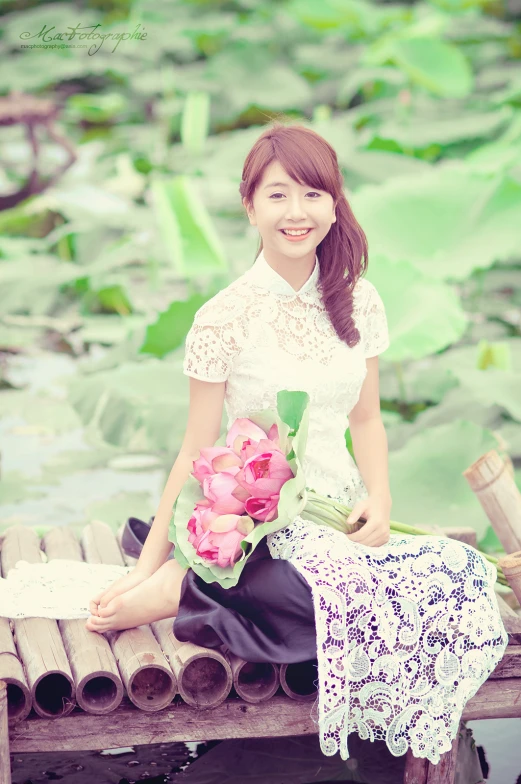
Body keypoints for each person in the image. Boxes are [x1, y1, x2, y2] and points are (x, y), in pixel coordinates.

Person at [87, 121, 508, 764]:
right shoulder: (223, 316)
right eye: (278, 195)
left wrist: (381, 494)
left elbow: (365, 419)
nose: (296, 212)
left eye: (313, 195)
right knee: (321, 602)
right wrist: (145, 568)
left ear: (334, 205)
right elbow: (194, 447)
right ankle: (182, 585)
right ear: (250, 206)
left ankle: (202, 584)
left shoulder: (359, 301)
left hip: (336, 512)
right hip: (260, 518)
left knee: (462, 576)